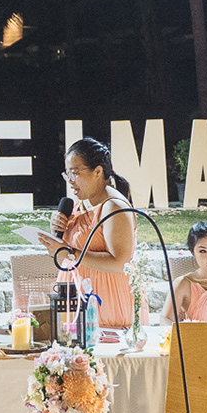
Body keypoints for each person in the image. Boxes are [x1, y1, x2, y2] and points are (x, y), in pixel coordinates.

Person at [35, 138, 135, 329]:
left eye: (75, 173)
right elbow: (71, 248)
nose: (70, 181)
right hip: (77, 295)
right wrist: (57, 232)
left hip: (105, 299)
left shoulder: (114, 207)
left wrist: (71, 253)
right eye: (67, 174)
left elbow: (121, 263)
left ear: (97, 172)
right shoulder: (83, 202)